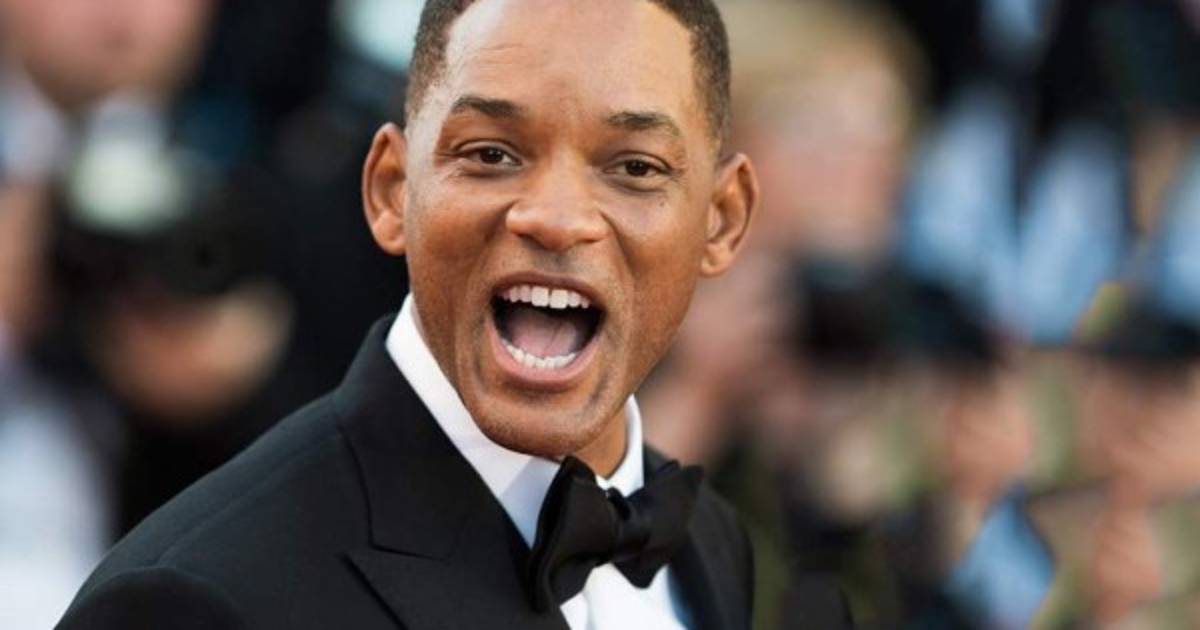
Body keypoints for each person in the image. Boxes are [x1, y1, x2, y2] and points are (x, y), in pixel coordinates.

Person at [55, 1, 849, 628]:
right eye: (491, 154)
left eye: (634, 167)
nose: (556, 218)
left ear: (721, 220)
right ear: (392, 190)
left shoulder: (714, 549)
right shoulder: (195, 600)